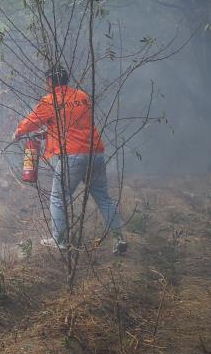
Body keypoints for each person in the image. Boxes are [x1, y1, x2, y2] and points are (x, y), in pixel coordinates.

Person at [14, 66, 127, 254]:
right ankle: (119, 238)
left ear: (50, 82)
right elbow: (74, 124)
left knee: (58, 197)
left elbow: (31, 122)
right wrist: (49, 133)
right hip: (95, 153)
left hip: (73, 157)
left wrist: (18, 133)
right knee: (103, 198)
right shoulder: (82, 96)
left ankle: (60, 240)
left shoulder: (50, 101)